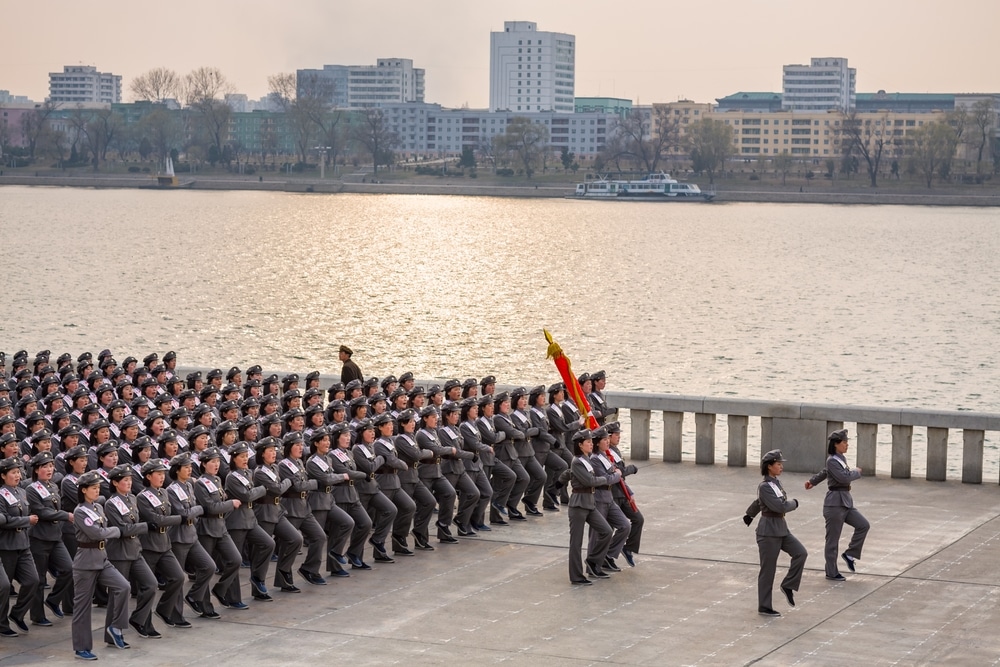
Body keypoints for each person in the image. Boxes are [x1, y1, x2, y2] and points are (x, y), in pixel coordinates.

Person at [70, 469, 132, 659]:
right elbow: (97, 533)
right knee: (82, 607)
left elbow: (101, 531)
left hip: (102, 558)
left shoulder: (98, 507)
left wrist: (108, 531)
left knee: (123, 586)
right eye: (93, 488)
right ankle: (82, 647)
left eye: (98, 487)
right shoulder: (80, 511)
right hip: (86, 561)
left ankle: (115, 626)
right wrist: (115, 530)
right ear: (83, 490)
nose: (97, 491)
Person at [744, 449, 807, 617]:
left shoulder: (775, 483)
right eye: (778, 464)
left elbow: (759, 503)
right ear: (769, 466)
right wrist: (795, 503)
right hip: (768, 532)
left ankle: (788, 585)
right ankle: (764, 606)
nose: (781, 467)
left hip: (781, 528)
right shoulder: (765, 486)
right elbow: (780, 506)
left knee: (801, 553)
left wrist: (749, 514)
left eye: (781, 464)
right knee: (768, 570)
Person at [805, 428, 870, 581]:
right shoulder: (832, 460)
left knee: (863, 525)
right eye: (844, 443)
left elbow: (824, 472)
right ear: (836, 444)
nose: (847, 445)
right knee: (832, 541)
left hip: (846, 502)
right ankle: (831, 572)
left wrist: (812, 481)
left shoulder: (840, 459)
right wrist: (857, 472)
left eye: (847, 442)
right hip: (834, 504)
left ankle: (850, 554)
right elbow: (842, 477)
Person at [103, 464, 158, 638]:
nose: (128, 483)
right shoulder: (111, 503)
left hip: (135, 550)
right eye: (125, 480)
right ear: (115, 482)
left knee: (151, 584)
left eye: (130, 479)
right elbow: (122, 529)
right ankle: (112, 633)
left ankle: (138, 619)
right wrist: (145, 527)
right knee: (118, 594)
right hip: (119, 553)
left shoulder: (131, 498)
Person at [25, 451, 73, 628]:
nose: (49, 469)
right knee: (39, 578)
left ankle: (53, 600)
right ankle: (37, 615)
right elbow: (41, 511)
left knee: (68, 569)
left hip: (55, 536)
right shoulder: (31, 489)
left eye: (51, 466)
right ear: (37, 470)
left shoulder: (53, 486)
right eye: (45, 466)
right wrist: (65, 515)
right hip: (39, 538)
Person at [558, 430, 613, 585]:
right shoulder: (577, 461)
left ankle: (593, 560)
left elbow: (569, 473)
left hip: (589, 503)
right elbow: (590, 481)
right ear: (580, 445)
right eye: (588, 442)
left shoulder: (586, 459)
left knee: (606, 531)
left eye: (591, 441)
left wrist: (559, 482)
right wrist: (608, 479)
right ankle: (576, 576)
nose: (591, 444)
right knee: (576, 543)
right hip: (578, 505)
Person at [0, 456, 40, 637]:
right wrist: (26, 521)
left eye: (18, 472)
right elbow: (3, 520)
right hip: (6, 545)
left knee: (33, 580)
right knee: (5, 587)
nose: (17, 475)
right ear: (3, 475)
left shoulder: (21, 492)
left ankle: (17, 613)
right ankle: (2, 624)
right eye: (13, 472)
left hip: (23, 544)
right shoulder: (1, 494)